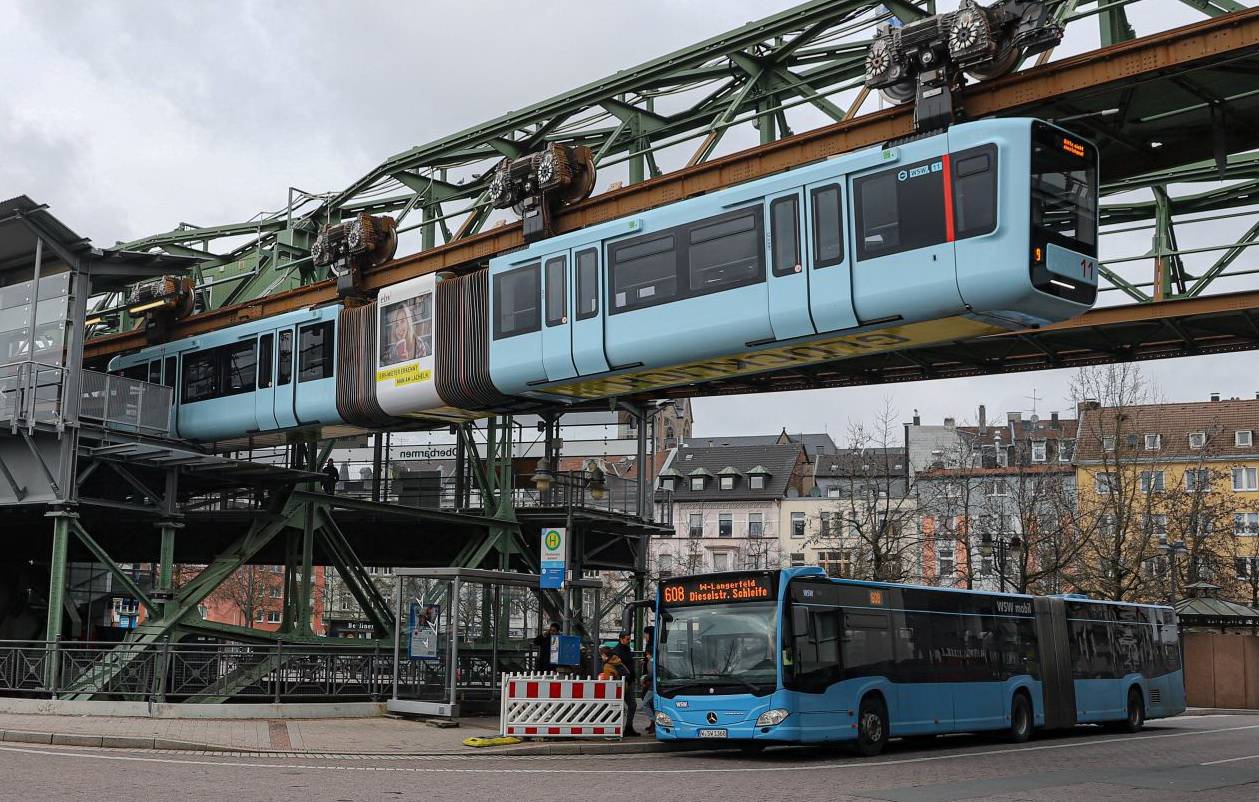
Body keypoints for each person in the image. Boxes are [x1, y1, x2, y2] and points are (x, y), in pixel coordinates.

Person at [612, 631, 640, 737]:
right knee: (625, 705)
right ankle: (620, 727)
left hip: (628, 681)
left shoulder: (625, 649)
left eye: (630, 639)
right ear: (621, 639)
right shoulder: (617, 651)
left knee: (632, 705)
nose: (629, 641)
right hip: (623, 682)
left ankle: (628, 727)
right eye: (627, 639)